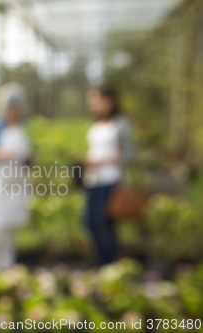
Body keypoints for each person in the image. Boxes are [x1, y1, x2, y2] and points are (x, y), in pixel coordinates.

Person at [0, 82, 32, 271]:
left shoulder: (23, 127)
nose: (14, 111)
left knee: (11, 225)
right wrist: (4, 154)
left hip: (16, 183)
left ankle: (9, 264)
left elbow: (28, 155)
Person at [83, 83, 135, 266]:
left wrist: (101, 161)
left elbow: (128, 154)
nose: (93, 104)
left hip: (111, 179)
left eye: (96, 99)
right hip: (93, 179)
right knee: (89, 222)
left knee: (104, 224)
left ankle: (110, 264)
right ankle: (102, 262)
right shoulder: (96, 124)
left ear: (110, 100)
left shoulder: (120, 124)